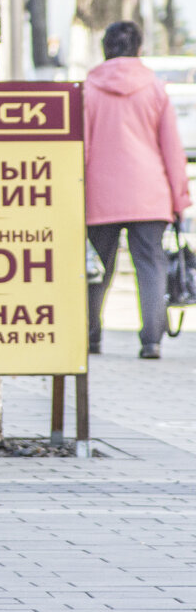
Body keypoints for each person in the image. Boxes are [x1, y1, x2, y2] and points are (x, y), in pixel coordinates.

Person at [84, 21, 191, 359]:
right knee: (151, 263)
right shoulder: (155, 88)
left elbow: (81, 146)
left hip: (99, 193)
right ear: (140, 49)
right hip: (149, 193)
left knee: (97, 266)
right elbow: (171, 148)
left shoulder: (87, 88)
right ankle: (151, 340)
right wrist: (180, 198)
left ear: (105, 48)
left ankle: (90, 335)